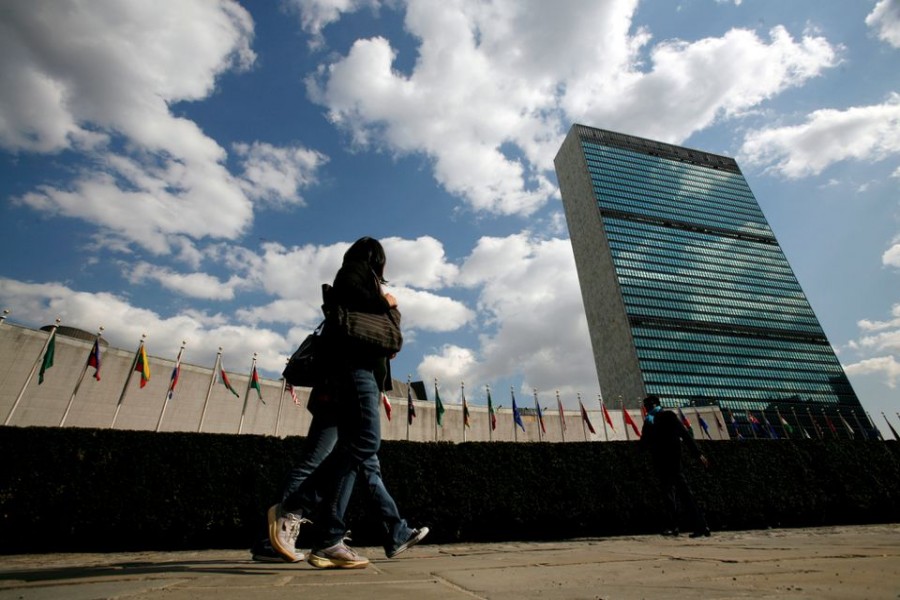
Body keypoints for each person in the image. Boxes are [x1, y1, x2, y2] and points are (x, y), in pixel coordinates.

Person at [267, 237, 418, 569]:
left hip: (358, 375)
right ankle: (294, 510)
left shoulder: (368, 286)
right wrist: (387, 304)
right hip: (351, 374)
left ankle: (332, 539)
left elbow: (375, 334)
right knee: (362, 446)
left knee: (362, 457)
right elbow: (352, 295)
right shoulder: (354, 271)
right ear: (376, 258)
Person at [251, 387, 428, 562]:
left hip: (357, 393)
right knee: (316, 462)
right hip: (341, 394)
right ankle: (275, 536)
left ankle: (392, 531)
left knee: (367, 466)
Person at [640, 394, 710, 538]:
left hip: (672, 462)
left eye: (649, 406)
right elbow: (644, 443)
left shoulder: (668, 416)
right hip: (661, 463)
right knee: (669, 496)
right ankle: (674, 526)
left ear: (654, 405)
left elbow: (684, 434)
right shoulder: (648, 422)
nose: (648, 409)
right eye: (646, 406)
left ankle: (701, 526)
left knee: (684, 494)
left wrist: (698, 454)